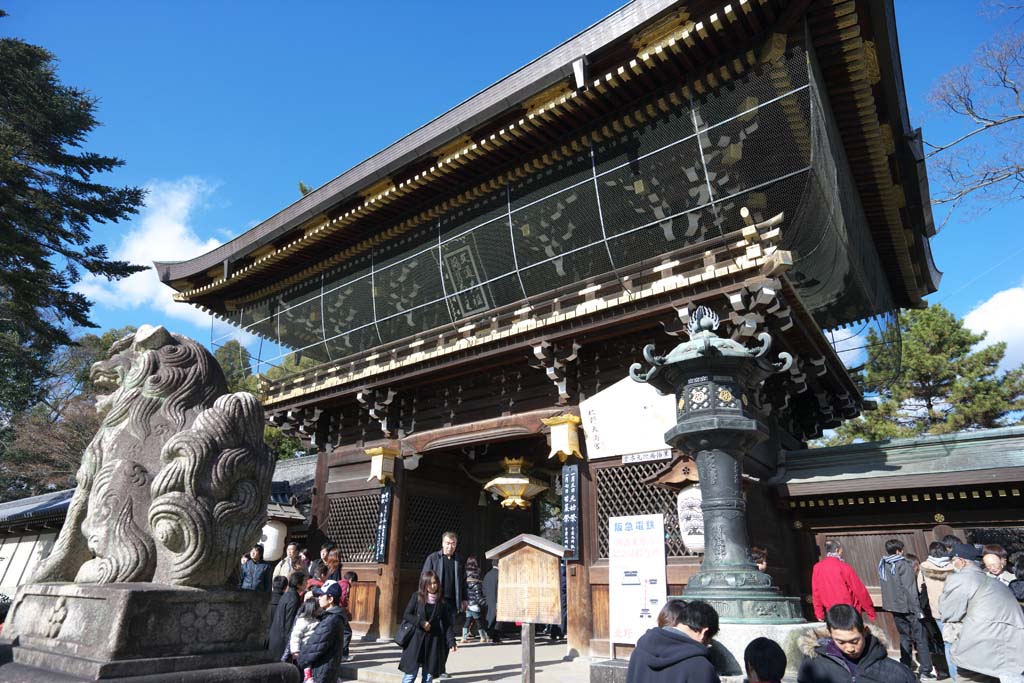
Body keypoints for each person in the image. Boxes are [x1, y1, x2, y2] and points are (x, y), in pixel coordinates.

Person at [939, 542, 1024, 682]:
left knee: (967, 677)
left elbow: (949, 612)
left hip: (980, 642)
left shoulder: (960, 578)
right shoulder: (990, 580)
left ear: (961, 561)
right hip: (1006, 642)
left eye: (953, 560)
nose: (952, 564)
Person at [797, 604, 916, 683]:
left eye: (855, 641)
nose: (849, 648)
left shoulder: (895, 671)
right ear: (830, 633)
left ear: (864, 632)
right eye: (841, 642)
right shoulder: (814, 664)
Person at [625, 599, 720, 683]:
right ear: (704, 632)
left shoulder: (639, 652)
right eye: (709, 641)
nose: (707, 645)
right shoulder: (700, 667)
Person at [878, 539, 935, 679]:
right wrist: (917, 609)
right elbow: (910, 590)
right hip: (908, 607)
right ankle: (926, 671)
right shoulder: (902, 564)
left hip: (895, 607)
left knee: (904, 637)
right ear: (899, 550)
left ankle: (905, 666)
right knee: (920, 638)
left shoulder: (883, 564)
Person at [422, 531, 467, 678]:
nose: (450, 546)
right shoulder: (433, 558)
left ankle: (441, 668)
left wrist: (464, 598)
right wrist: (424, 599)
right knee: (434, 635)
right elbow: (424, 579)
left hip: (451, 603)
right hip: (435, 602)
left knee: (448, 636)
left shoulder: (458, 560)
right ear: (442, 543)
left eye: (453, 543)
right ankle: (430, 666)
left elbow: (463, 582)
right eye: (448, 543)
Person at [398, 570, 457, 683]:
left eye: (435, 583)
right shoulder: (417, 596)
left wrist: (451, 641)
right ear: (424, 584)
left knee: (428, 676)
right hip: (416, 641)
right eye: (430, 583)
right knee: (410, 675)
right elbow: (407, 614)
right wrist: (421, 623)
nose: (433, 586)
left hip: (433, 641)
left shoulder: (441, 601)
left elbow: (446, 623)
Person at [810, 540, 876, 622]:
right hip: (849, 611)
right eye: (841, 550)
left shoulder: (817, 568)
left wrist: (819, 613)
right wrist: (870, 610)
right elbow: (859, 589)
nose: (842, 552)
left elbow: (816, 592)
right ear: (837, 550)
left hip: (831, 612)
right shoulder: (844, 567)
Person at [297, 580, 349, 683]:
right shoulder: (333, 616)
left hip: (322, 671)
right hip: (327, 669)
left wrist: (300, 660)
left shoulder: (331, 621)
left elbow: (314, 646)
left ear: (330, 599)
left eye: (322, 595)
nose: (319, 598)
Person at [919, 541, 956, 680]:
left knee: (947, 642)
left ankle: (953, 674)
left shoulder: (924, 567)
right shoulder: (952, 565)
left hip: (938, 610)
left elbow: (919, 587)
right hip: (956, 609)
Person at [269, 571, 307, 663]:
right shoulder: (293, 598)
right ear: (298, 584)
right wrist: (291, 646)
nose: (307, 583)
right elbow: (289, 623)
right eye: (305, 581)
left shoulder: (288, 595)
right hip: (282, 642)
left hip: (276, 638)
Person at [289, 596, 322, 679]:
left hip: (313, 647)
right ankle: (308, 677)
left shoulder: (317, 620)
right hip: (304, 648)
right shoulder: (302, 621)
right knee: (307, 665)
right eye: (318, 608)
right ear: (312, 609)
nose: (320, 609)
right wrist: (295, 651)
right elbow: (295, 636)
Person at [462, 556, 485, 644]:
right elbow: (478, 595)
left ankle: (464, 637)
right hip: (475, 604)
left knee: (467, 620)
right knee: (479, 621)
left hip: (467, 603)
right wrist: (483, 602)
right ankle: (483, 637)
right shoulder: (477, 583)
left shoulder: (465, 581)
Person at [338, 571, 356, 662]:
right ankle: (344, 654)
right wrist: (345, 608)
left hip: (336, 610)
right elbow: (343, 597)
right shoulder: (346, 585)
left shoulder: (339, 582)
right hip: (340, 610)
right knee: (347, 632)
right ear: (351, 579)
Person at [482, 559, 501, 644]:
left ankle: (488, 636)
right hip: (497, 599)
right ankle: (495, 638)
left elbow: (483, 588)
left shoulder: (487, 575)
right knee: (497, 619)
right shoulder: (500, 575)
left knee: (489, 618)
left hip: (488, 599)